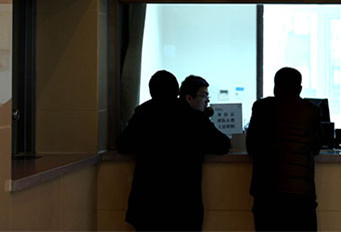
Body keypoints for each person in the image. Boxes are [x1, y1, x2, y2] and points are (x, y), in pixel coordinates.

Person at [117, 71, 230, 231]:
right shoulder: (193, 117)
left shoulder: (143, 114)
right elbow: (223, 145)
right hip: (183, 207)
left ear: (151, 91)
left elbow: (122, 145)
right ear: (177, 91)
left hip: (146, 206)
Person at [246, 67, 322, 231]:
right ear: (300, 89)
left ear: (274, 87)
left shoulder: (261, 107)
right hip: (302, 196)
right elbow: (316, 147)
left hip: (266, 195)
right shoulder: (312, 111)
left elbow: (251, 146)